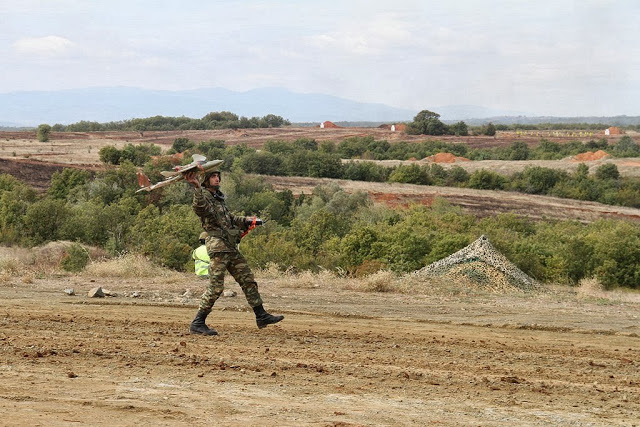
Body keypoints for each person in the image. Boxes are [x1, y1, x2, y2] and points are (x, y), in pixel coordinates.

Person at [183, 165, 284, 336]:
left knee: (247, 280)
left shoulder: (219, 199)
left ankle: (261, 315)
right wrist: (196, 187)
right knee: (216, 287)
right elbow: (199, 208)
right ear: (206, 180)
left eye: (218, 176)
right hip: (218, 247)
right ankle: (198, 322)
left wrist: (250, 220)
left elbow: (231, 219)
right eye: (213, 176)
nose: (217, 179)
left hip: (229, 246)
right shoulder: (205, 196)